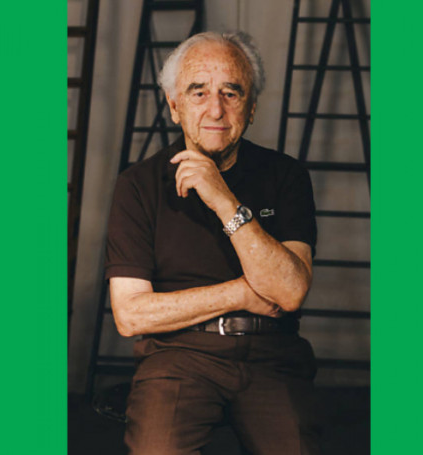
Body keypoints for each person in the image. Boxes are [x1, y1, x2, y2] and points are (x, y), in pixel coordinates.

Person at [105, 31, 320, 455]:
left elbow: (291, 291)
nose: (215, 109)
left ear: (251, 107)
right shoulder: (138, 185)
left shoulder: (286, 176)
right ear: (174, 106)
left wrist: (224, 200)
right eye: (198, 92)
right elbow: (130, 315)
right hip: (178, 356)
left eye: (231, 93)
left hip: (272, 356)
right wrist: (242, 293)